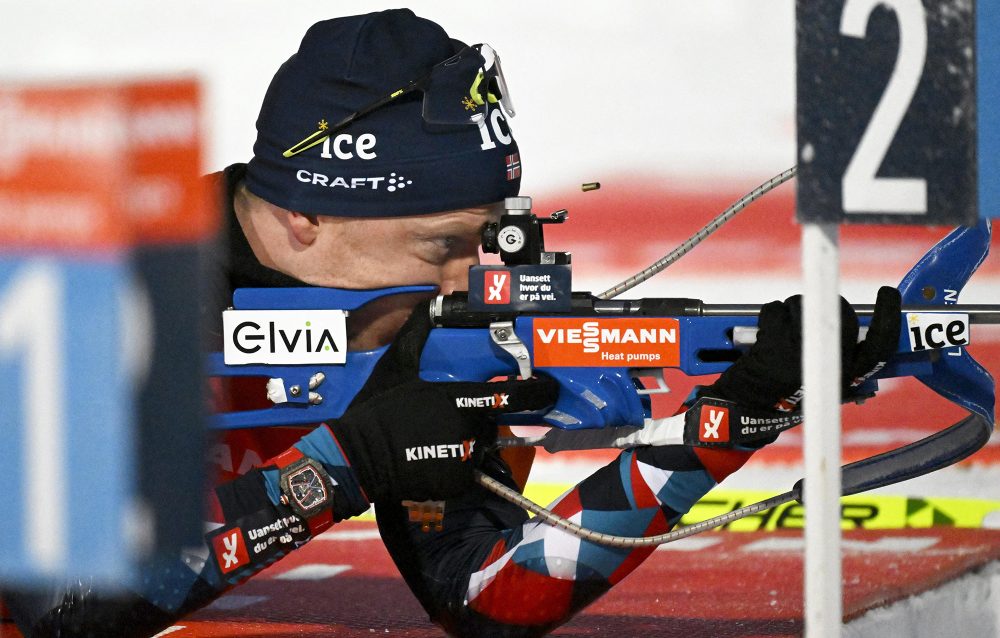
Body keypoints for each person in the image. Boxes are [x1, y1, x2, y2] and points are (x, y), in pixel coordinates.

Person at [6, 9, 901, 637]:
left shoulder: (406, 317)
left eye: (485, 241)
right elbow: (66, 607)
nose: (471, 278)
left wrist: (729, 420)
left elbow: (492, 598)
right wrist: (350, 463)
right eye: (439, 244)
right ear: (303, 219)